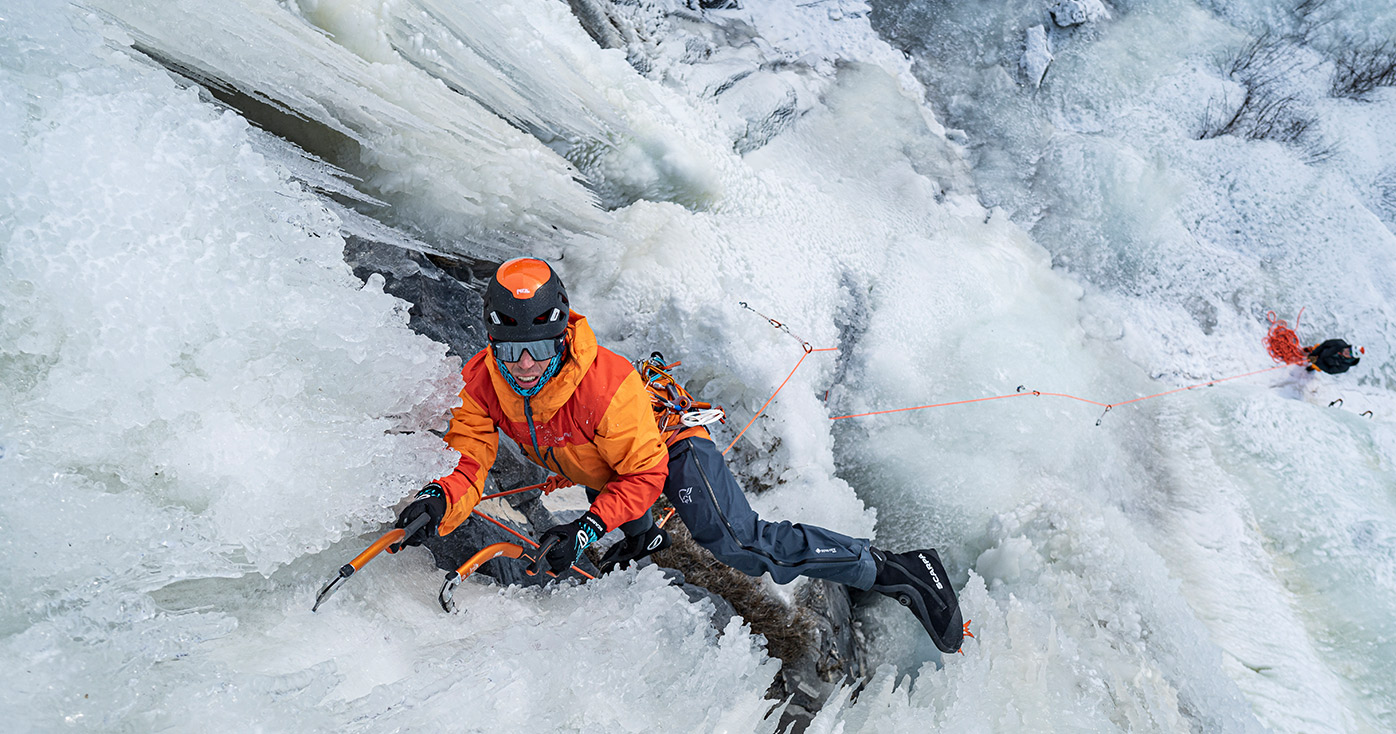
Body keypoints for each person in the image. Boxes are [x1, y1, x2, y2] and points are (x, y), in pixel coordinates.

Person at [394, 257, 965, 654]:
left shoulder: (606, 385)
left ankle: (896, 569)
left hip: (667, 448)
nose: (524, 365)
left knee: (739, 542)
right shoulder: (482, 382)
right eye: (511, 349)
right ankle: (645, 538)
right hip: (605, 462)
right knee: (628, 519)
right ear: (492, 341)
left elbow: (644, 474)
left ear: (561, 334)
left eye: (538, 347)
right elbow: (471, 459)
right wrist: (439, 500)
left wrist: (587, 530)